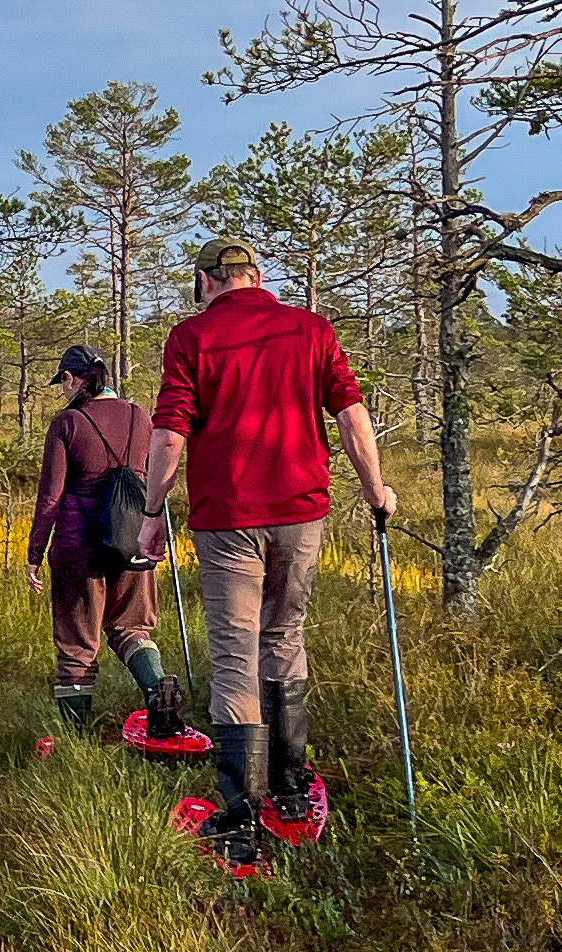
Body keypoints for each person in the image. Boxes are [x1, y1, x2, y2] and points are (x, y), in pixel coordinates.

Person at [143, 238, 396, 873]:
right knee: (284, 636)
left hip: (228, 516)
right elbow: (353, 415)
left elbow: (171, 431)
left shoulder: (191, 337)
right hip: (301, 511)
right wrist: (377, 491)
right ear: (257, 277)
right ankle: (289, 786)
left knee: (234, 654)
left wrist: (151, 514)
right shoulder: (311, 329)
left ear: (206, 281)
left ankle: (238, 822)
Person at [24, 343, 204, 753]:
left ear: (73, 379)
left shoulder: (67, 423)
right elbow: (160, 469)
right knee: (132, 629)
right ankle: (159, 692)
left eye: (63, 382)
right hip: (133, 541)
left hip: (78, 549)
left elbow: (50, 498)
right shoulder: (141, 417)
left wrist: (35, 554)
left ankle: (73, 743)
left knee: (77, 645)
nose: (62, 390)